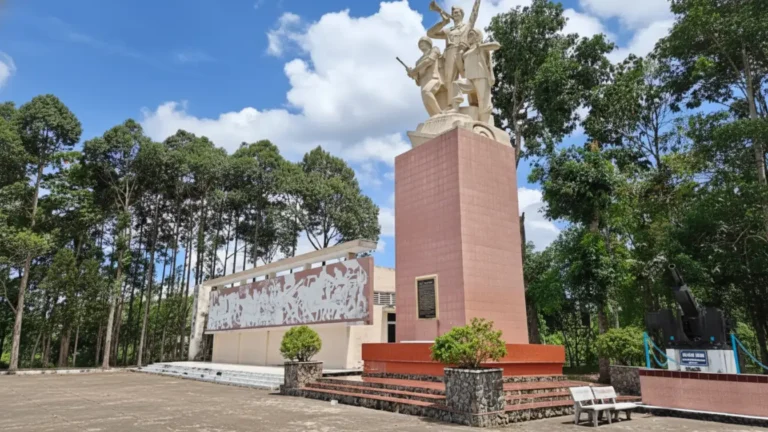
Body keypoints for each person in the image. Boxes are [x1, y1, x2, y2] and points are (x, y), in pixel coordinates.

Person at [427, 0, 480, 112]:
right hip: (450, 53)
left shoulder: (467, 26)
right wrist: (444, 22)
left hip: (464, 53)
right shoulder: (449, 30)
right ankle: (452, 105)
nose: (455, 14)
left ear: (462, 14)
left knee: (470, 78)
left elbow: (474, 14)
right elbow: (430, 34)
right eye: (454, 13)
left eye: (457, 12)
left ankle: (475, 101)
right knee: (449, 80)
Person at [454, 28, 500, 124]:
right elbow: (461, 68)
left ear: (477, 36)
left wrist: (481, 46)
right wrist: (459, 54)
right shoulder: (466, 51)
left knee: (483, 101)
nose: (469, 37)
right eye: (468, 35)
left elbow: (496, 45)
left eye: (471, 34)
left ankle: (484, 123)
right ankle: (455, 109)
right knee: (456, 84)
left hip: (481, 76)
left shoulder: (481, 47)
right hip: (469, 78)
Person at [407, 37, 445, 117]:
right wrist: (411, 73)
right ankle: (433, 117)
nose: (421, 45)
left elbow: (429, 60)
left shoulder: (434, 50)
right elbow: (418, 79)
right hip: (424, 81)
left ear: (428, 43)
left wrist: (414, 70)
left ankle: (440, 114)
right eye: (419, 44)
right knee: (426, 101)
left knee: (426, 92)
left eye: (423, 42)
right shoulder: (418, 62)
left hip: (434, 78)